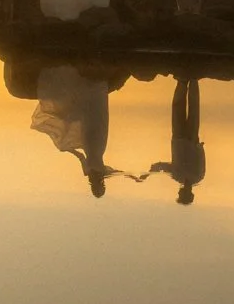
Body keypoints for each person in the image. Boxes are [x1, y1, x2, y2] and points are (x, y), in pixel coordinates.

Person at [28, 63, 143, 197]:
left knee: (97, 119)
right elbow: (114, 171)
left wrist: (66, 148)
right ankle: (95, 90)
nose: (102, 185)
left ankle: (95, 89)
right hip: (95, 145)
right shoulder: (92, 172)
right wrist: (68, 149)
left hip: (96, 145)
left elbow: (81, 157)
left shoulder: (97, 172)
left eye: (101, 187)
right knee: (96, 119)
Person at [150, 76, 205, 205]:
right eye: (182, 194)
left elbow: (165, 166)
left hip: (178, 139)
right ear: (189, 193)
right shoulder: (197, 176)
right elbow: (201, 160)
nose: (180, 192)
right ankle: (193, 79)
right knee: (194, 108)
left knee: (177, 107)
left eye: (180, 194)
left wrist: (151, 171)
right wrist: (198, 146)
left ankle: (182, 80)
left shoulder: (177, 176)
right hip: (191, 139)